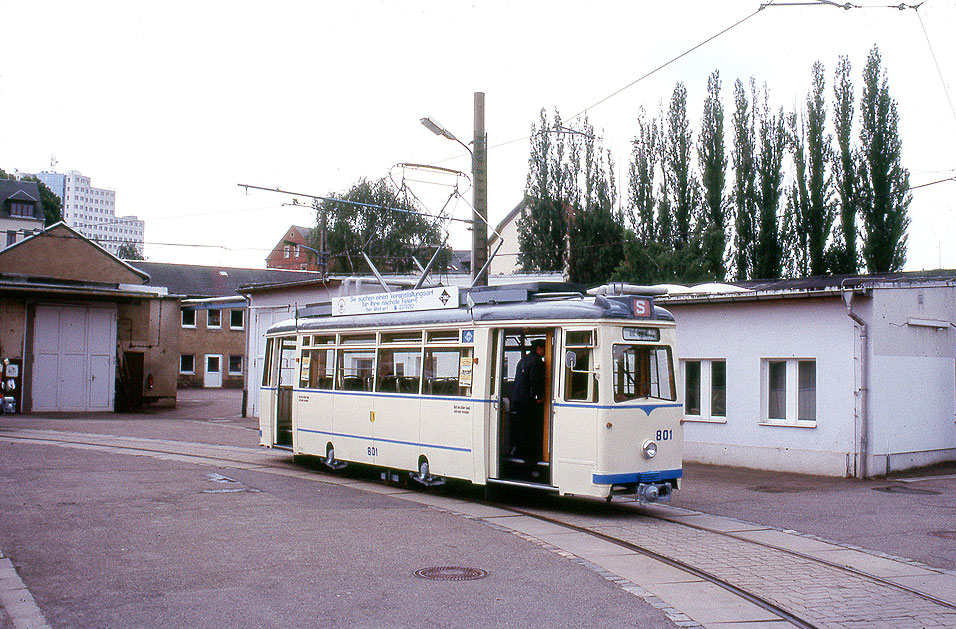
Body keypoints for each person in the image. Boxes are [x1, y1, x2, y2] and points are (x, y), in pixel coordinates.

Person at [510, 339, 546, 475]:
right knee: (532, 431)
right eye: (544, 349)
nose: (545, 352)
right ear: (539, 349)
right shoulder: (537, 361)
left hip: (517, 400)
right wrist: (539, 397)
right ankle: (530, 462)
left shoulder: (523, 360)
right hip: (528, 402)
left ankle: (518, 454)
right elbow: (535, 381)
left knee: (522, 429)